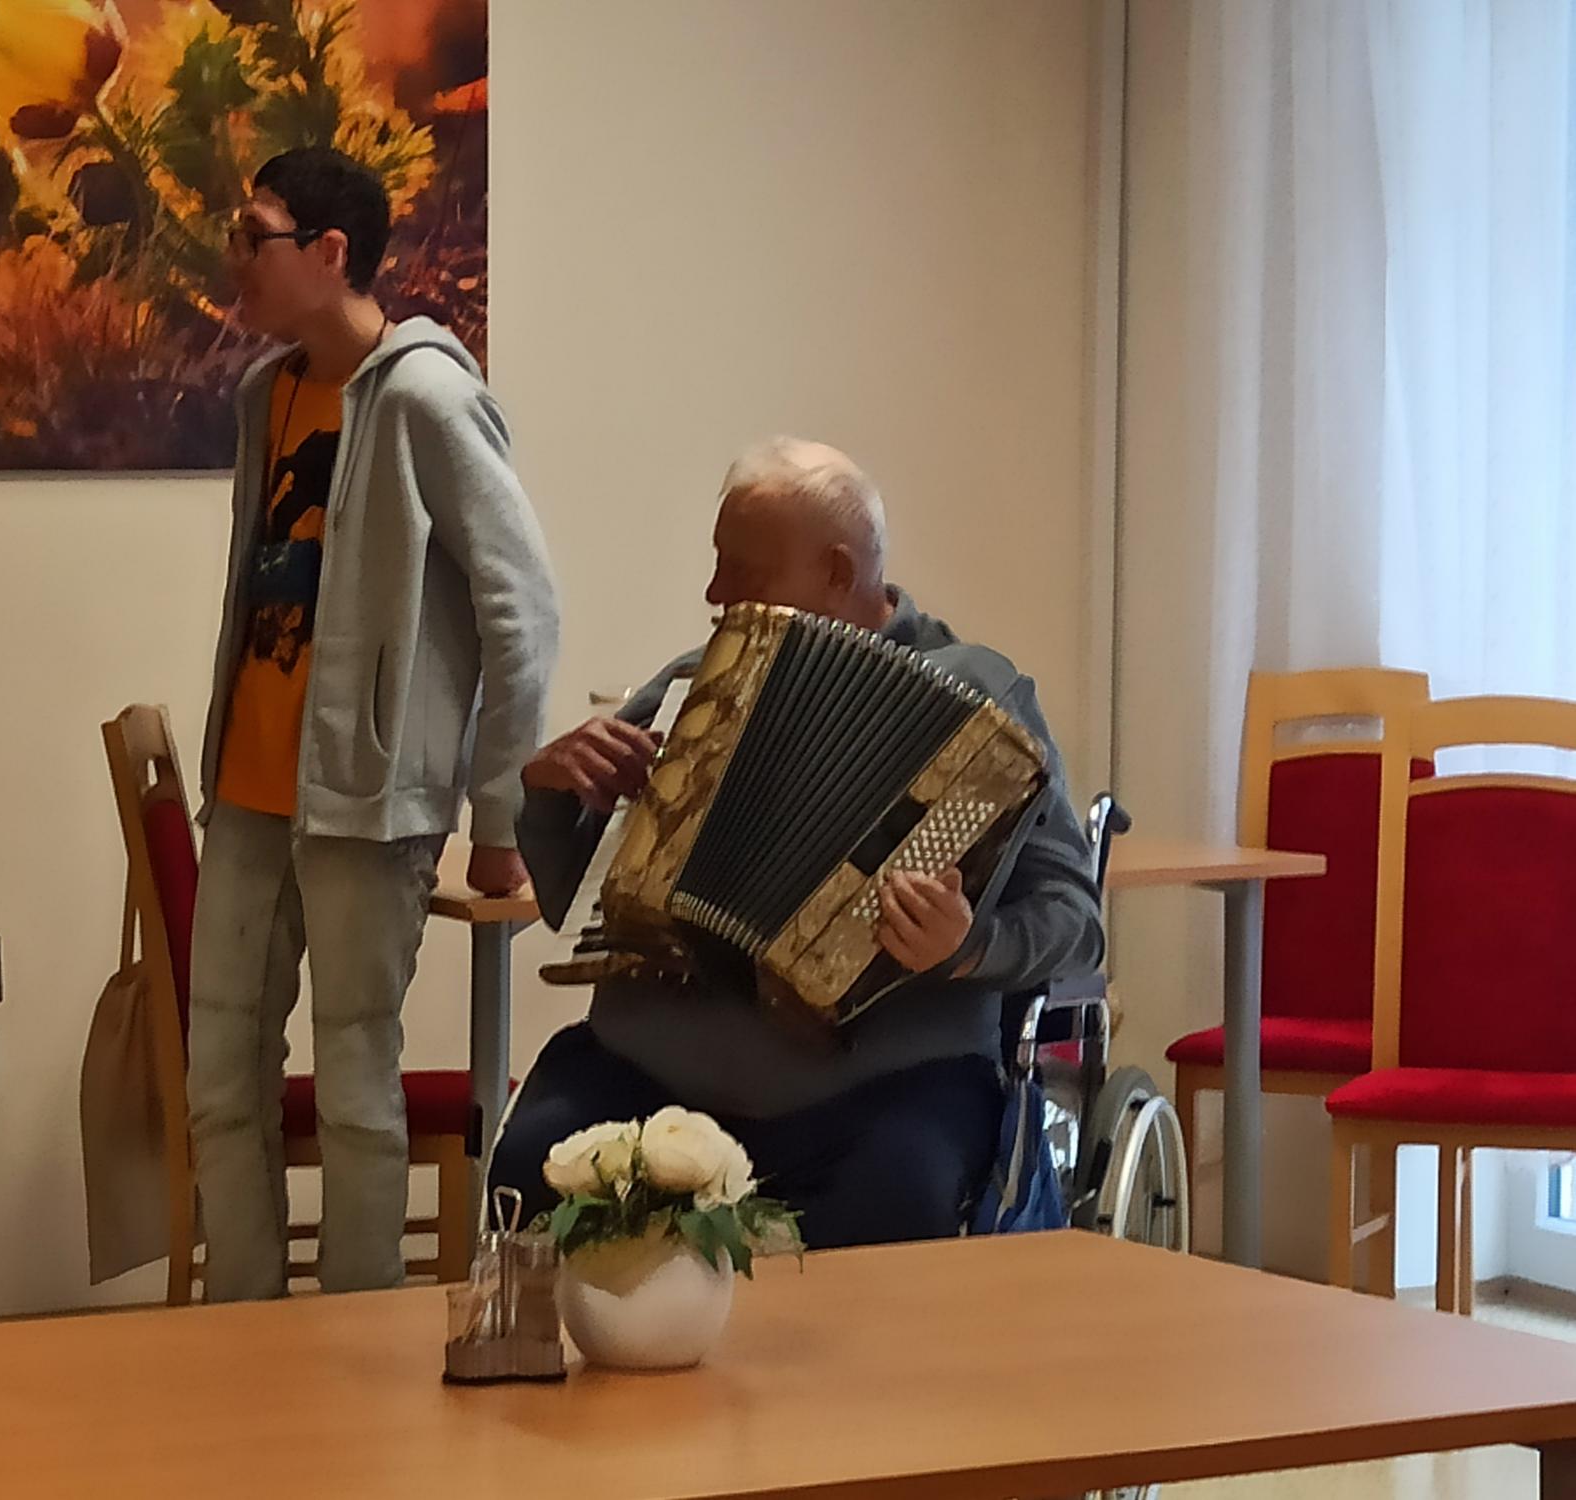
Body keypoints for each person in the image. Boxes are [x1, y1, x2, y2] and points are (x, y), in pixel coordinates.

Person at [490, 437, 1101, 1247]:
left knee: (901, 1195)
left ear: (838, 571)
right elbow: (576, 901)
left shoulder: (984, 706)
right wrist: (551, 795)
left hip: (882, 1088)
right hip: (649, 1075)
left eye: (740, 568)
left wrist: (968, 946)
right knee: (530, 1163)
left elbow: (1076, 923)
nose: (714, 591)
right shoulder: (693, 686)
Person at [190, 147, 557, 1300]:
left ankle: (352, 1345)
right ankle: (240, 1334)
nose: (235, 260)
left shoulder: (426, 398)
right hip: (247, 795)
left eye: (255, 236)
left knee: (356, 1086)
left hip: (368, 803)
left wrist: (501, 813)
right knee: (219, 1080)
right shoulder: (265, 395)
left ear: (330, 251)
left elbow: (523, 610)